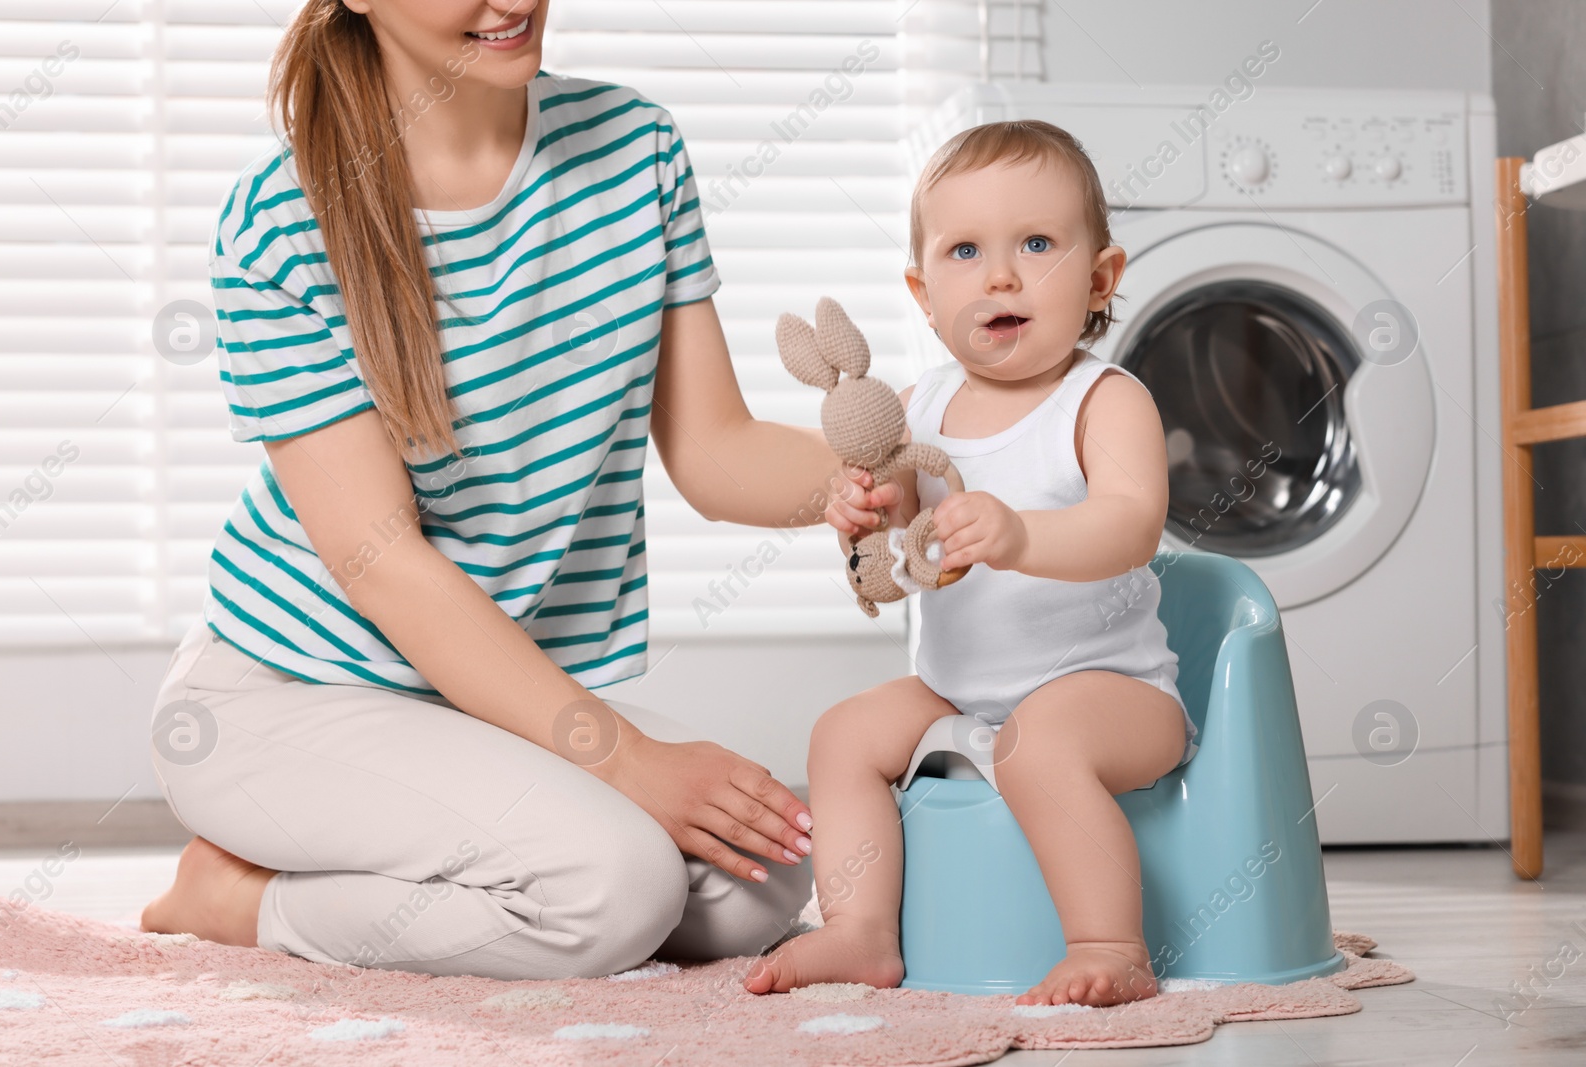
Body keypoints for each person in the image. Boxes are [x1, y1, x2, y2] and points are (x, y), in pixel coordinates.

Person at [141, 0, 832, 980]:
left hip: (476, 698)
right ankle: (238, 897)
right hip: (288, 695)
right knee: (617, 886)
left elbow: (715, 451)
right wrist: (630, 761)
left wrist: (870, 477)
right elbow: (387, 568)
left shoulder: (634, 148)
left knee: (768, 863)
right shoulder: (281, 220)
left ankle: (457, 868)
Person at [742, 120, 1197, 1006]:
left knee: (1040, 742)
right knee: (843, 735)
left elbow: (1131, 526)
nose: (1000, 275)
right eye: (964, 250)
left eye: (1036, 243)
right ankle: (862, 930)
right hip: (962, 688)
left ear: (1101, 277)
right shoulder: (924, 404)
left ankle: (1111, 943)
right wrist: (861, 518)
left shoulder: (1103, 400)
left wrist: (1023, 536)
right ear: (922, 291)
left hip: (1113, 690)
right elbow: (903, 546)